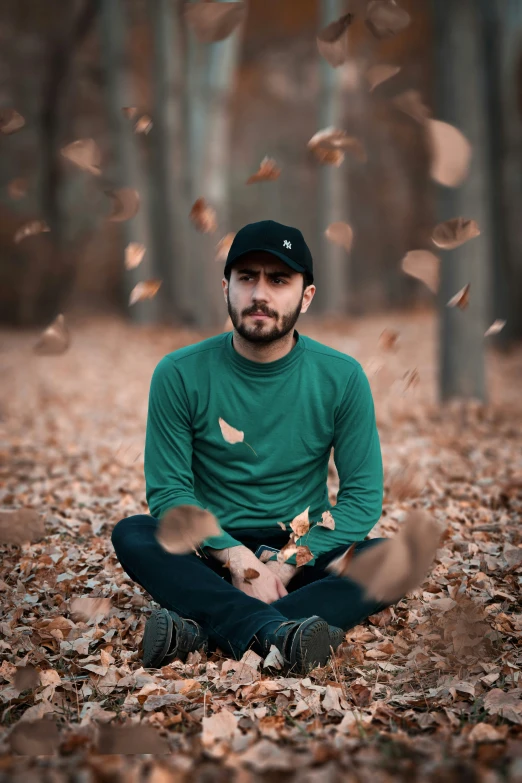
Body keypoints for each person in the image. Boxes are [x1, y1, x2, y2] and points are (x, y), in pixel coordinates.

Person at [111, 219, 389, 675]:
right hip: (209, 554)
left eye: (279, 280)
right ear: (227, 288)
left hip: (304, 553)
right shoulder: (179, 373)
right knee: (135, 533)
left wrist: (283, 564)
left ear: (307, 295)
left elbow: (362, 499)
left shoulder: (342, 377)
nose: (260, 294)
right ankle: (280, 635)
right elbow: (168, 492)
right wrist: (238, 558)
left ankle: (202, 632)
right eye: (247, 278)